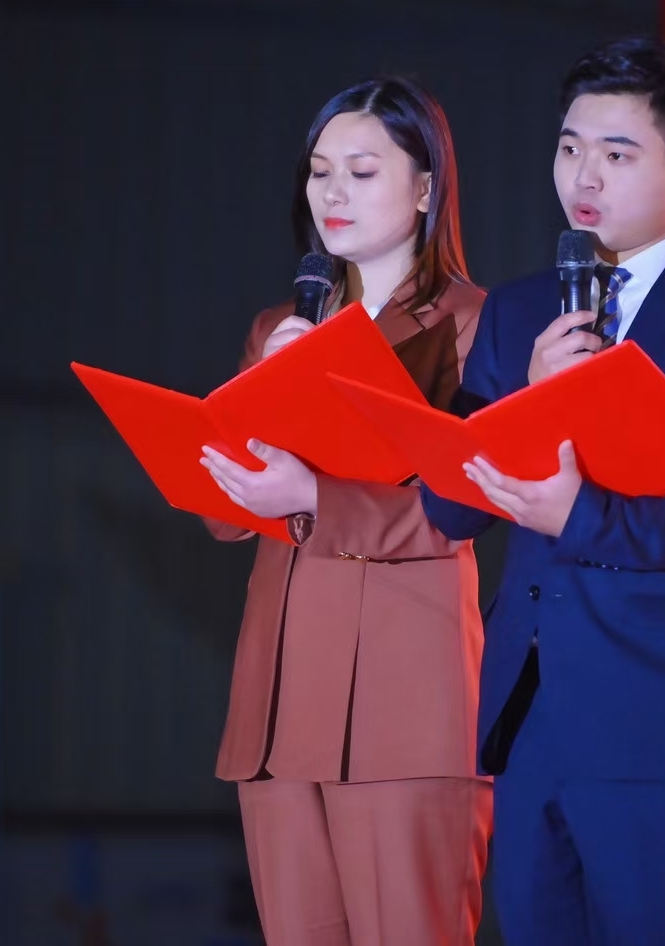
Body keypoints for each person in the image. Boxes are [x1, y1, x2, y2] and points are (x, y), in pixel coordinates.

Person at [422, 38, 665, 944]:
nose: (583, 176)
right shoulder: (520, 312)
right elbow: (450, 506)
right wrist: (525, 397)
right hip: (531, 718)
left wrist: (580, 515)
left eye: (617, 154)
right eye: (569, 148)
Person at [198, 76, 491, 946]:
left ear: (427, 187)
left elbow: (464, 506)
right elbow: (223, 514)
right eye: (320, 171)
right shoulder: (278, 328)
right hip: (280, 708)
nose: (333, 192)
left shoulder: (474, 326)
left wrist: (313, 497)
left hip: (405, 704)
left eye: (362, 172)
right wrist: (259, 397)